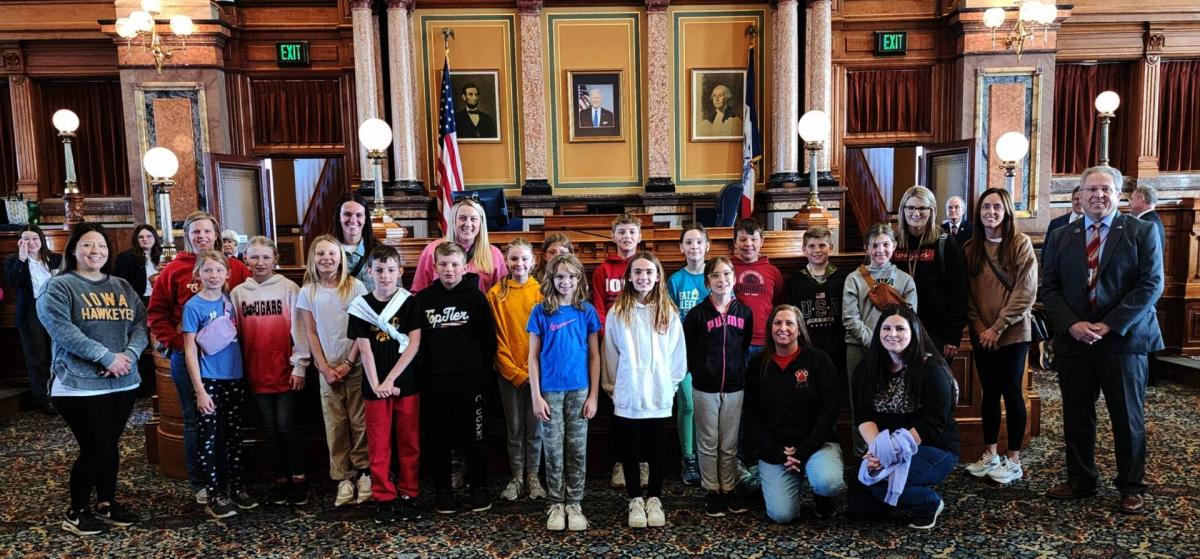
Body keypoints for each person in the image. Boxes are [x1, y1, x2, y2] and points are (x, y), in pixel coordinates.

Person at [1040, 166, 1163, 515]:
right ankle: (1081, 479)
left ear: (1118, 194)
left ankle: (1130, 485)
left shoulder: (1140, 232)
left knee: (1127, 417)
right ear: (1079, 194)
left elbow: (1151, 285)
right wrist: (1073, 324)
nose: (1098, 195)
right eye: (1091, 189)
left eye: (1105, 189)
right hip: (1075, 341)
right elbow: (1049, 287)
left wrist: (1108, 326)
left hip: (1122, 342)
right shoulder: (1063, 235)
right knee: (1077, 415)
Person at [37, 223, 147, 535]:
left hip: (123, 379)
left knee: (109, 445)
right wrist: (106, 356)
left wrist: (130, 354)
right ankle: (76, 511)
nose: (94, 251)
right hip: (77, 384)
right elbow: (62, 330)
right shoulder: (59, 286)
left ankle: (107, 503)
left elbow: (140, 323)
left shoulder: (122, 286)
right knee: (95, 446)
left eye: (100, 245)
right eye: (87, 245)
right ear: (73, 249)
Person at [147, 211, 252, 505]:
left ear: (216, 235)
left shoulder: (235, 267)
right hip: (189, 359)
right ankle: (201, 483)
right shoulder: (173, 271)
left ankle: (230, 480)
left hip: (229, 361)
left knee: (229, 424)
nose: (202, 237)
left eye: (207, 232)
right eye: (196, 233)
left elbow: (244, 303)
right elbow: (156, 314)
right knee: (195, 421)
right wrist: (179, 343)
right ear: (187, 237)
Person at [847, 306, 960, 530]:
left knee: (879, 483)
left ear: (914, 332)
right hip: (886, 446)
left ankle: (930, 503)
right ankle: (902, 489)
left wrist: (889, 453)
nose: (893, 334)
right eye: (886, 328)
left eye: (900, 328)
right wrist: (879, 451)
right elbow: (863, 414)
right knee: (860, 507)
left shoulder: (932, 369)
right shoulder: (867, 368)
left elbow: (933, 423)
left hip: (932, 446)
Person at [411, 242, 498, 515]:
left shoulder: (476, 298)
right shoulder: (423, 300)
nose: (449, 269)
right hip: (435, 381)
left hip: (470, 380)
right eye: (443, 264)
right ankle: (443, 490)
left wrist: (481, 374)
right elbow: (416, 343)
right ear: (434, 267)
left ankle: (478, 487)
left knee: (475, 437)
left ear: (464, 267)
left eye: (454, 264)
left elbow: (488, 340)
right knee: (438, 437)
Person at [602, 252, 687, 529]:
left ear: (658, 276)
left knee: (656, 448)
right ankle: (635, 498)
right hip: (628, 392)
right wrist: (615, 388)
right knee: (630, 448)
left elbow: (677, 355)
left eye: (649, 272)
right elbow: (611, 354)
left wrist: (670, 386)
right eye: (637, 272)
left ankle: (654, 498)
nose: (643, 277)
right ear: (629, 277)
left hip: (659, 391)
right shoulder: (618, 312)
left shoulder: (668, 311)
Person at [962, 188, 1037, 485]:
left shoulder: (1020, 244)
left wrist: (998, 327)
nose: (990, 212)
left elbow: (1026, 292)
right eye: (984, 207)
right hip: (983, 334)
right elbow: (967, 294)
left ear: (1006, 210)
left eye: (996, 207)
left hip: (1014, 333)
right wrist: (981, 327)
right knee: (988, 393)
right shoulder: (970, 248)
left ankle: (1014, 459)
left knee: (1012, 393)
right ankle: (990, 452)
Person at [229, 236, 311, 506]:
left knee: (287, 426)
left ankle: (299, 477)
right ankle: (280, 478)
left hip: (286, 371)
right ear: (245, 260)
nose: (260, 262)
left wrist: (300, 364)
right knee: (269, 428)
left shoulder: (289, 288)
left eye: (266, 257)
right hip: (255, 370)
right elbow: (235, 334)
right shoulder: (239, 293)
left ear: (276, 258)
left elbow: (299, 330)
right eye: (254, 257)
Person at [746, 305, 843, 523]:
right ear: (770, 328)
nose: (783, 328)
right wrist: (778, 452)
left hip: (816, 445)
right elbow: (753, 415)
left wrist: (804, 450)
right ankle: (782, 481)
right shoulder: (757, 365)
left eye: (790, 323)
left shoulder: (819, 361)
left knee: (828, 482)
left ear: (799, 329)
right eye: (777, 323)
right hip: (776, 450)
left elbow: (830, 410)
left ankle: (822, 497)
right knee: (782, 515)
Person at [348, 245, 423, 524]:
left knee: (408, 442)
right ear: (370, 271)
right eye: (379, 270)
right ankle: (384, 497)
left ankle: (408, 493)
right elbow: (364, 350)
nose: (385, 276)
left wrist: (391, 379)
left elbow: (413, 343)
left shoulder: (410, 303)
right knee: (379, 445)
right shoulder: (360, 307)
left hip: (405, 383)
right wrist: (377, 383)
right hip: (373, 385)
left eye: (391, 270)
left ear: (400, 272)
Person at [181, 250, 258, 518]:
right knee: (210, 438)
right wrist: (200, 389)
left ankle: (236, 487)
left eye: (218, 270)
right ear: (198, 274)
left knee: (234, 436)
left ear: (227, 274)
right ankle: (215, 492)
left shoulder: (229, 301)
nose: (213, 275)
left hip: (234, 376)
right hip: (210, 379)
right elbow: (190, 350)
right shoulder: (193, 306)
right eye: (207, 270)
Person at [296, 234, 371, 507]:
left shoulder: (355, 286)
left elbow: (362, 329)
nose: (326, 259)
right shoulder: (308, 291)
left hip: (356, 362)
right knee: (335, 423)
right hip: (326, 367)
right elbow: (311, 333)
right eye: (320, 254)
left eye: (331, 254)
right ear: (313, 259)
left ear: (341, 258)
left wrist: (348, 363)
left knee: (359, 421)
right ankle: (343, 477)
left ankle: (364, 471)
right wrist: (324, 367)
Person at [529, 254, 602, 532]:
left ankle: (574, 502)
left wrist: (594, 395)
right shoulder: (540, 312)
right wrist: (536, 396)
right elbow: (532, 358)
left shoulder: (586, 312)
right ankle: (556, 502)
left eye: (571, 276)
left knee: (577, 449)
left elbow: (594, 356)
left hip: (580, 390)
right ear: (551, 279)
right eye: (560, 276)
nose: (566, 281)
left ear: (578, 279)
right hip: (550, 392)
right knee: (554, 450)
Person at [683, 256, 753, 517]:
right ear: (707, 281)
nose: (721, 280)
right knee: (708, 441)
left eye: (726, 275)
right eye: (715, 275)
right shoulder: (697, 315)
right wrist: (700, 373)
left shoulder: (744, 312)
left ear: (734, 278)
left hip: (735, 386)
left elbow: (743, 346)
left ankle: (729, 487)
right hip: (705, 387)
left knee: (729, 442)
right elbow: (689, 349)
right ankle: (712, 489)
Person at [487, 239, 546, 502]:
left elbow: (547, 336)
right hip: (508, 372)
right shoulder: (496, 294)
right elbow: (495, 338)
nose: (518, 264)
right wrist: (513, 370)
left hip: (539, 374)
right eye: (513, 259)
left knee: (535, 429)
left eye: (524, 259)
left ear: (533, 262)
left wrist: (533, 372)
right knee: (514, 428)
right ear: (506, 261)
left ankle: (533, 477)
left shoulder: (542, 292)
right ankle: (517, 477)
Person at [591, 212, 647, 490]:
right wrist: (610, 338)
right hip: (613, 347)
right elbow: (599, 308)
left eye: (631, 232)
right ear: (613, 237)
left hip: (643, 347)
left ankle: (643, 461)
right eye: (621, 232)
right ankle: (620, 463)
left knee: (644, 405)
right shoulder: (603, 271)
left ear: (640, 236)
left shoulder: (647, 267)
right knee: (618, 407)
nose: (626, 237)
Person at [894, 186, 968, 360]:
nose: (916, 213)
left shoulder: (945, 243)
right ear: (903, 210)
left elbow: (958, 293)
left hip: (936, 333)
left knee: (933, 384)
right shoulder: (893, 242)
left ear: (932, 210)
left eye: (922, 208)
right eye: (910, 207)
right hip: (898, 329)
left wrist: (952, 336)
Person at [843, 223, 917, 379]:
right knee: (859, 397)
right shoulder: (853, 279)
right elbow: (850, 318)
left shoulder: (905, 280)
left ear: (894, 246)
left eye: (886, 244)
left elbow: (910, 318)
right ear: (867, 248)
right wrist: (875, 343)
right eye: (874, 245)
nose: (880, 250)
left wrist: (888, 343)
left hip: (895, 349)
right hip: (859, 347)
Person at [667, 223, 709, 486]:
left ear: (707, 246)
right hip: (683, 354)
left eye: (699, 242)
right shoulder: (675, 281)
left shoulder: (715, 275)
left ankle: (708, 457)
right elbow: (670, 321)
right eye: (689, 242)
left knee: (709, 407)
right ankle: (688, 458)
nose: (694, 247)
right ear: (681, 247)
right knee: (689, 405)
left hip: (711, 354)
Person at [4, 224, 62, 414]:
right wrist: (21, 258)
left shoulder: (55, 259)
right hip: (30, 312)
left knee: (57, 354)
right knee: (37, 357)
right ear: (20, 242)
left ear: (41, 240)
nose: (31, 242)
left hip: (54, 310)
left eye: (35, 238)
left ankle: (62, 395)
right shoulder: (13, 260)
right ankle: (44, 399)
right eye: (26, 239)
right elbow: (12, 282)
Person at [786, 226, 851, 375]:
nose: (817, 250)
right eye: (811, 246)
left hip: (837, 346)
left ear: (831, 247)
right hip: (807, 346)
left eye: (822, 245)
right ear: (804, 250)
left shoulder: (843, 278)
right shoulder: (795, 281)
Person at [412, 197, 506, 294]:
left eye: (473, 219)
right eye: (462, 218)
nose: (468, 224)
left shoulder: (494, 254)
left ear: (481, 223)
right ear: (453, 221)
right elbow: (418, 292)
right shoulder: (432, 250)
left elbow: (502, 295)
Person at [732, 218, 784, 357]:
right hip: (735, 339)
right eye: (743, 239)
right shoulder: (727, 269)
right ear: (735, 243)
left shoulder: (772, 271)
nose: (748, 244)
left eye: (753, 239)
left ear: (762, 242)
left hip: (765, 339)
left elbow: (779, 304)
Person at [332, 193, 376, 292]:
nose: (353, 220)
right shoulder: (326, 251)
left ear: (366, 219)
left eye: (359, 215)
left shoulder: (379, 251)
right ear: (339, 217)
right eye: (347, 214)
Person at [112, 224, 161, 306]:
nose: (145, 239)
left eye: (149, 236)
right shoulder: (125, 257)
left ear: (155, 238)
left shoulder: (163, 255)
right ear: (136, 240)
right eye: (141, 237)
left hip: (161, 299)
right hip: (139, 301)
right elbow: (119, 285)